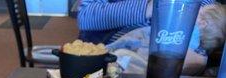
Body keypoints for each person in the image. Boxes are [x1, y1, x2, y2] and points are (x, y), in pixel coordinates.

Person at [105, 3, 226, 75]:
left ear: (203, 23)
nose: (195, 9)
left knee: (125, 53)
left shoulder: (189, 30)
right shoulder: (199, 44)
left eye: (199, 10)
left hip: (149, 50)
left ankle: (111, 57)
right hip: (152, 54)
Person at [78, 0, 216, 45]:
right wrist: (153, 6)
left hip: (169, 57)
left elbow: (212, 18)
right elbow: (86, 17)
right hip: (110, 58)